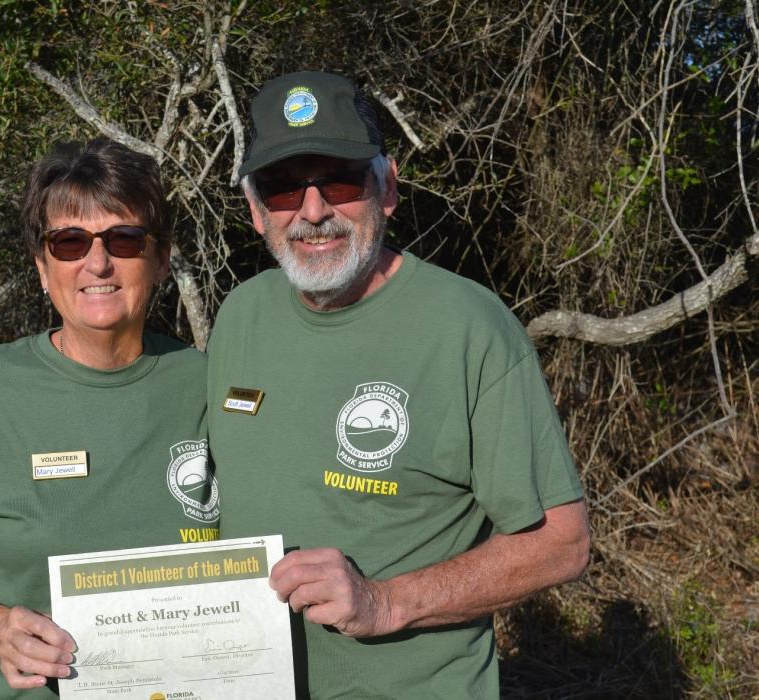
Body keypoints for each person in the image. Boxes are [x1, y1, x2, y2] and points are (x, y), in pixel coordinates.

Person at [207, 71, 590, 698]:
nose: (312, 211)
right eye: (281, 189)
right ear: (254, 211)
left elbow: (562, 543)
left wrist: (385, 602)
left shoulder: (469, 326)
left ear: (385, 188)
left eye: (338, 179)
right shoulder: (239, 316)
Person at [0, 138, 219, 698]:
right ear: (43, 266)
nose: (97, 262)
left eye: (124, 239)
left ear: (160, 260)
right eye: (69, 242)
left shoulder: (207, 384)